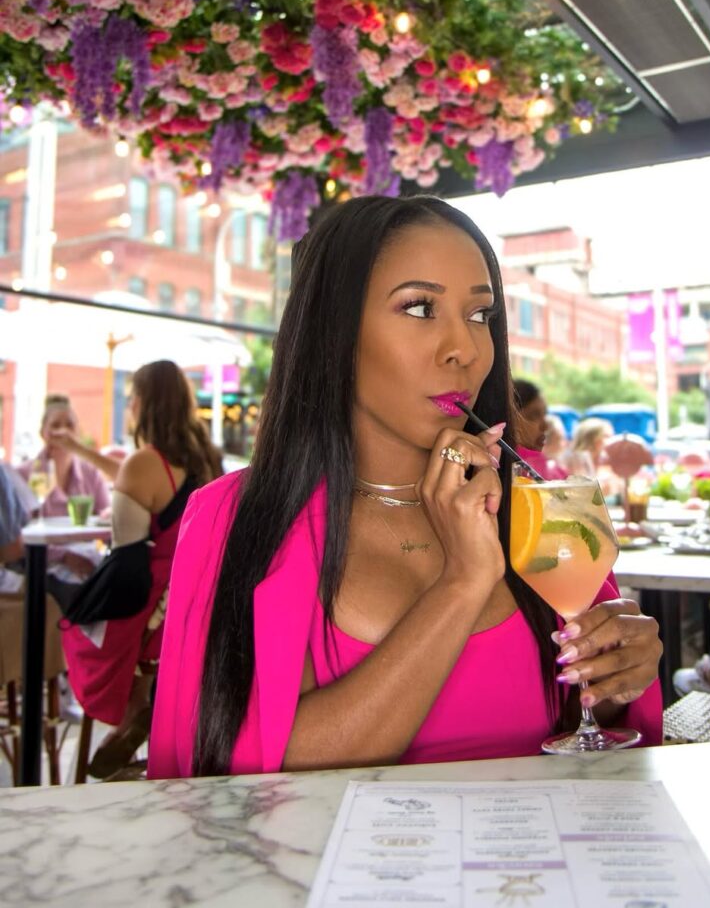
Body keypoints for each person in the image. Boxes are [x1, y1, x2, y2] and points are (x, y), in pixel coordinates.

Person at [150, 196, 662, 780]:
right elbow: (246, 775)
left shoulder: (534, 500)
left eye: (480, 315)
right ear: (334, 333)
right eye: (420, 308)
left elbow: (593, 721)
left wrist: (621, 673)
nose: (465, 350)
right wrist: (463, 583)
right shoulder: (235, 519)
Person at [60, 360, 222, 777]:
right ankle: (146, 706)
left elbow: (126, 557)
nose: (127, 403)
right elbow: (139, 480)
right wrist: (78, 450)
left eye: (132, 395)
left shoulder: (144, 464)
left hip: (156, 610)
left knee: (79, 624)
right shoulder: (206, 459)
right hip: (199, 605)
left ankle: (136, 707)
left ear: (144, 403)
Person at [16, 396, 111, 608]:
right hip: (43, 562)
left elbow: (107, 517)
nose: (62, 432)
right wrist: (65, 556)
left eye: (69, 425)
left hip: (86, 559)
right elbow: (20, 535)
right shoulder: (25, 474)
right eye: (55, 425)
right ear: (43, 433)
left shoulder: (90, 473)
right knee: (76, 595)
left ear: (77, 432)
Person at [512, 379, 567, 481]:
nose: (545, 426)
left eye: (545, 414)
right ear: (509, 419)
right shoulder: (530, 466)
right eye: (533, 415)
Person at [561, 417, 615, 493]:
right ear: (593, 438)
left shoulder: (601, 461)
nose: (611, 441)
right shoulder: (576, 458)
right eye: (607, 436)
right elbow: (582, 490)